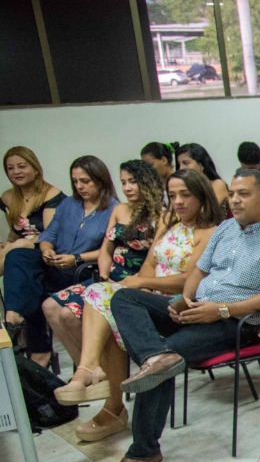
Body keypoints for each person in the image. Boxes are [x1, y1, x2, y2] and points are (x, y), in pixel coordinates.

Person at [102, 169, 260, 462]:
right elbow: (198, 270)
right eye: (232, 193)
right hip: (196, 309)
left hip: (235, 323)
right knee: (126, 297)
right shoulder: (225, 229)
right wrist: (185, 298)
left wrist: (220, 310)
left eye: (244, 194)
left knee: (168, 356)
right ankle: (155, 357)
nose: (234, 200)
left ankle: (144, 450)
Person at [54, 170, 221, 442]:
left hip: (176, 302)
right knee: (107, 308)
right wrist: (142, 287)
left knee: (103, 296)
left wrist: (138, 285)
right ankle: (103, 390)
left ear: (202, 196)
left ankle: (103, 392)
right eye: (173, 195)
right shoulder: (170, 222)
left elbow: (189, 280)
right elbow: (150, 263)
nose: (178, 201)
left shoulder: (211, 231)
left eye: (185, 195)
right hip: (148, 293)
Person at [43, 160, 164, 365]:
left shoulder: (160, 214)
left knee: (68, 314)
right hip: (109, 277)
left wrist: (130, 282)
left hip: (137, 281)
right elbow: (107, 249)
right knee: (50, 306)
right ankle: (91, 369)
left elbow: (153, 259)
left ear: (147, 182)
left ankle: (96, 369)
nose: (127, 187)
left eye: (133, 182)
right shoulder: (121, 210)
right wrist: (104, 276)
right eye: (123, 182)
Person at [4, 156, 118, 367]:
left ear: (100, 180)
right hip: (56, 264)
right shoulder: (69, 204)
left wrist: (75, 258)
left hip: (82, 269)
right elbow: (49, 234)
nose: (79, 187)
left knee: (32, 286)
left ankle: (38, 350)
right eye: (75, 181)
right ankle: (13, 317)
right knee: (17, 256)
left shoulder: (113, 208)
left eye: (85, 181)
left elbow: (110, 249)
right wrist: (46, 250)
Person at [0, 146, 65, 276]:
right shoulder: (7, 197)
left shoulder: (51, 194)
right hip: (19, 249)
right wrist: (7, 244)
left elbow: (50, 235)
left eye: (22, 166)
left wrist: (17, 245)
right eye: (10, 168)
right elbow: (15, 233)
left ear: (35, 169)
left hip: (47, 250)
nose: (16, 172)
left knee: (17, 247)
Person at [176, 144, 229, 213]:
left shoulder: (218, 184)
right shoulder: (184, 188)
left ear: (201, 165)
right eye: (179, 164)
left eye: (185, 163)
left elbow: (204, 213)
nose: (181, 168)